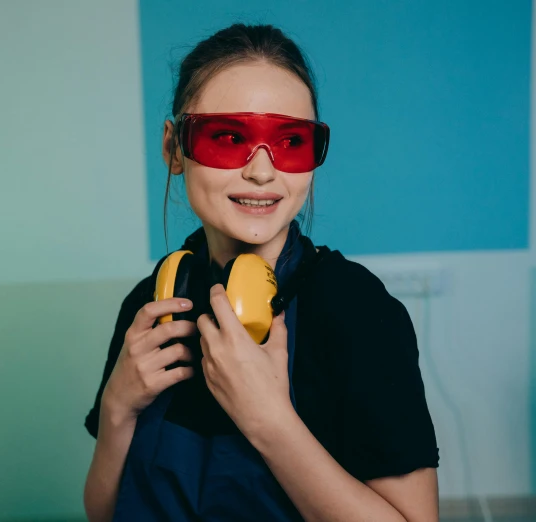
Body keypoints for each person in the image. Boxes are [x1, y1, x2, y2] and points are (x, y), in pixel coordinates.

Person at [83, 23, 439, 522]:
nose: (263, 171)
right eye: (229, 136)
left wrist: (269, 421)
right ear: (173, 147)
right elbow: (103, 512)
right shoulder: (152, 305)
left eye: (291, 141)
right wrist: (118, 407)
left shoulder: (358, 310)